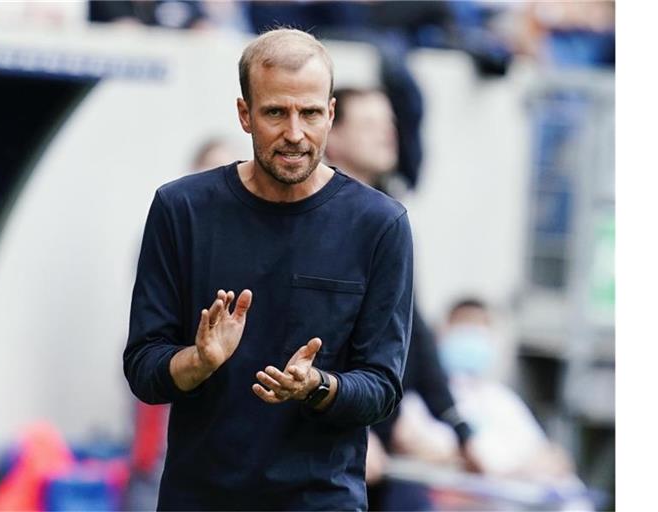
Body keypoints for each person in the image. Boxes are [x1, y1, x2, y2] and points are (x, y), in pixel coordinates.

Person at [123, 28, 415, 510]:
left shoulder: (380, 225)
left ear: (330, 114)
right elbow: (143, 367)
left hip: (319, 500)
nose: (295, 133)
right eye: (276, 112)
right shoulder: (182, 209)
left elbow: (382, 387)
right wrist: (199, 362)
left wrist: (318, 385)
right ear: (245, 114)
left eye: (311, 113)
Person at [325, 87, 482, 511]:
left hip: (378, 443)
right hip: (325, 445)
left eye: (389, 124)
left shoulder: (388, 218)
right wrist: (350, 433)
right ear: (332, 135)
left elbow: (412, 328)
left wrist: (458, 428)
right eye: (370, 124)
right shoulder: (315, 220)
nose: (386, 135)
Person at [393, 298, 575, 481]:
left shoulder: (502, 400)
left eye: (481, 327)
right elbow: (405, 443)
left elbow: (549, 455)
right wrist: (464, 459)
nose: (473, 337)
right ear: (441, 332)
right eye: (465, 325)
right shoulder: (416, 398)